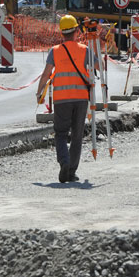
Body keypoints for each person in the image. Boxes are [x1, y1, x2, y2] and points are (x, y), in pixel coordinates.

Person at [36, 15, 99, 183]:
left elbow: (46, 74)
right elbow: (100, 67)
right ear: (77, 31)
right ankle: (71, 171)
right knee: (77, 135)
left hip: (61, 99)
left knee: (61, 134)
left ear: (62, 33)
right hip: (81, 99)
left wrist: (39, 92)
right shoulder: (85, 50)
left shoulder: (55, 51)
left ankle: (64, 162)